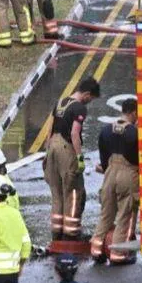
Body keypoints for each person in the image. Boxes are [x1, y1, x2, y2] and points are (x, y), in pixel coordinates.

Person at [43, 76, 101, 241]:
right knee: (73, 193)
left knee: (56, 194)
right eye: (91, 98)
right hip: (66, 150)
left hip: (52, 147)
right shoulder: (79, 108)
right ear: (87, 94)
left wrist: (47, 154)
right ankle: (71, 233)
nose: (90, 102)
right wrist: (79, 158)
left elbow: (50, 130)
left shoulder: (60, 102)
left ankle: (57, 233)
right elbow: (75, 133)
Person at [91, 97, 139, 264]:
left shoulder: (106, 130)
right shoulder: (134, 133)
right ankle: (118, 254)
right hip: (129, 174)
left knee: (106, 214)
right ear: (133, 112)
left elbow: (104, 159)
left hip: (109, 174)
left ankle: (96, 251)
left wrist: (106, 169)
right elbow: (140, 158)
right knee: (125, 214)